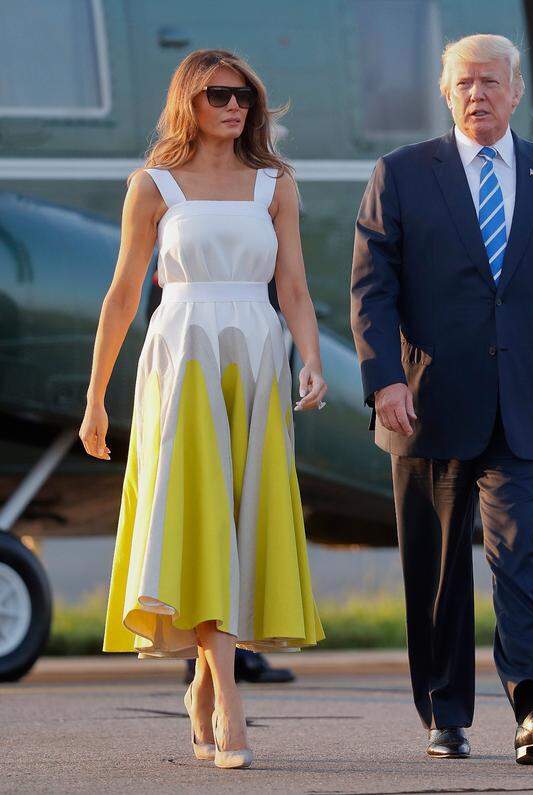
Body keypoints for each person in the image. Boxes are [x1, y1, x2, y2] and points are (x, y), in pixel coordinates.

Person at [350, 33, 533, 764]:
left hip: (530, 400)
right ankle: (445, 713)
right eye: (464, 82)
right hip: (425, 401)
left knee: (520, 549)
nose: (478, 94)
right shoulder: (400, 174)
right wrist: (383, 379)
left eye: (491, 81)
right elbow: (372, 289)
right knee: (435, 568)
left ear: (516, 91)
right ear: (445, 91)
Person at [80, 49, 325, 769]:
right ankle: (230, 705)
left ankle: (202, 682)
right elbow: (123, 295)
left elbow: (296, 289)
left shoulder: (274, 184)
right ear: (189, 99)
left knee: (241, 518)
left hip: (255, 354)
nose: (234, 106)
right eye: (219, 94)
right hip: (179, 356)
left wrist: (310, 358)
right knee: (199, 516)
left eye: (244, 95)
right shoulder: (153, 185)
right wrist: (95, 399)